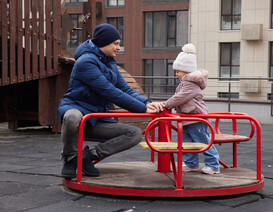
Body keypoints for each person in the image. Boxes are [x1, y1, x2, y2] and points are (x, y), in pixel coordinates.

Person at [58, 23, 163, 179]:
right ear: (103, 43)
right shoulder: (86, 62)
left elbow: (124, 89)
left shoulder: (109, 62)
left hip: (97, 118)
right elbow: (109, 91)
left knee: (134, 133)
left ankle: (88, 157)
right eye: (115, 43)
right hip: (78, 111)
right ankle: (71, 159)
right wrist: (141, 109)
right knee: (72, 117)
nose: (118, 48)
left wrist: (146, 103)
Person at [162, 43, 220, 174]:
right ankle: (191, 164)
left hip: (196, 118)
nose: (176, 74)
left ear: (187, 70)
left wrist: (166, 104)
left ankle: (213, 165)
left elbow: (180, 97)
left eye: (178, 71)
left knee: (203, 141)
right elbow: (178, 97)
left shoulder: (190, 84)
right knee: (187, 142)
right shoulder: (185, 83)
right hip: (187, 118)